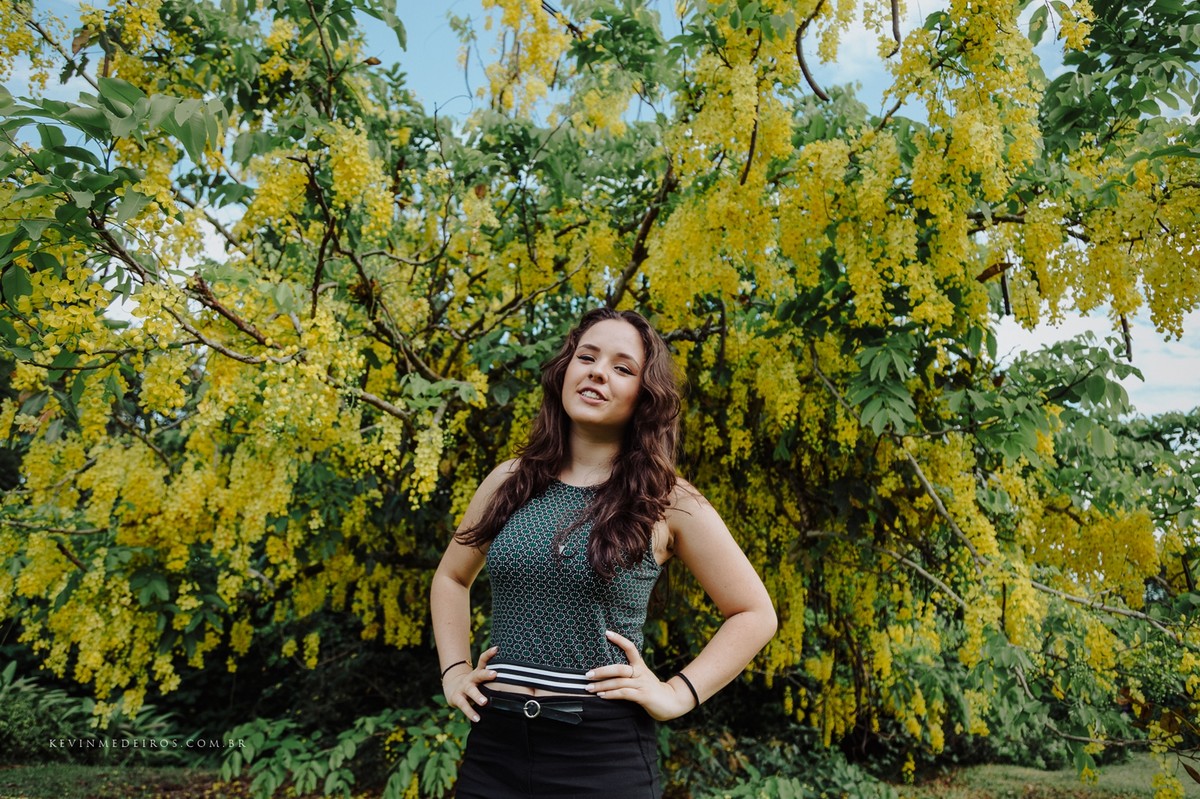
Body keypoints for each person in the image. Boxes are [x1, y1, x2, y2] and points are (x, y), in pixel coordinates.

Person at [430, 307, 777, 798]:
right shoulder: (511, 481)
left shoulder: (667, 500)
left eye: (622, 367)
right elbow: (451, 578)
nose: (597, 371)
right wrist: (455, 671)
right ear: (565, 371)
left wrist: (676, 693)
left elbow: (754, 613)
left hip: (601, 755)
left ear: (645, 395)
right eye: (586, 356)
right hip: (495, 747)